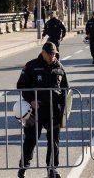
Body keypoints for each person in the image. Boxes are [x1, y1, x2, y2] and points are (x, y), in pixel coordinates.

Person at [16, 42, 69, 178]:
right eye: (50, 53)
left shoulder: (59, 67)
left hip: (53, 111)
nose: (53, 56)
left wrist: (64, 110)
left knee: (54, 141)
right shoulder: (31, 66)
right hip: (34, 111)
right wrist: (31, 100)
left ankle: (52, 169)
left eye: (54, 54)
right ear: (43, 52)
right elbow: (21, 85)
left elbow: (65, 90)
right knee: (31, 139)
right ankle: (23, 167)